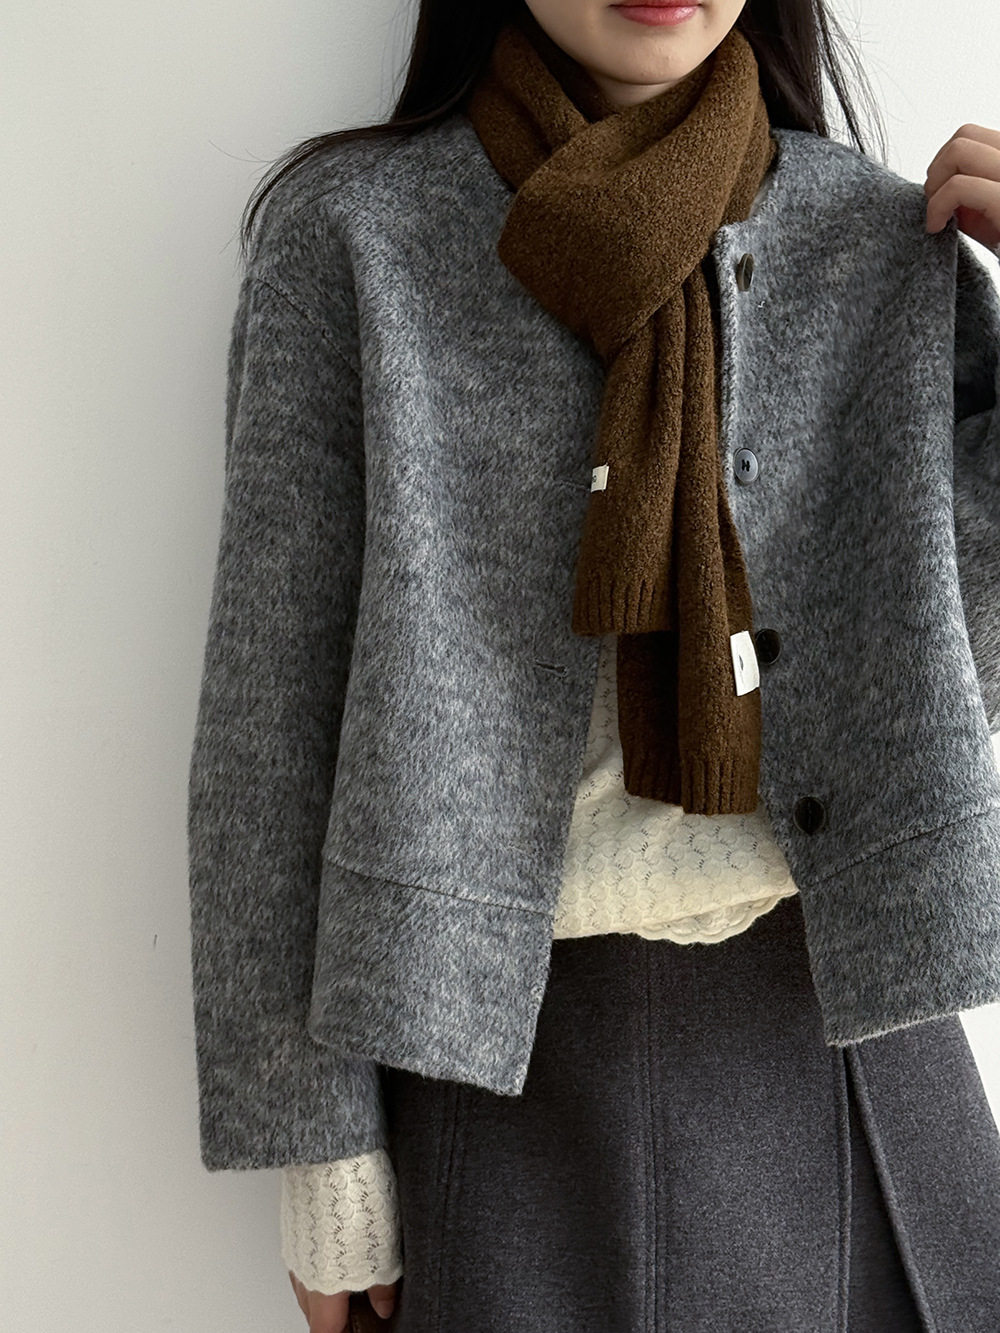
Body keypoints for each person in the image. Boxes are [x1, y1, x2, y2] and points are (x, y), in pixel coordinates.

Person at [186, 1, 1000, 1330]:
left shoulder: (877, 240)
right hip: (500, 1072)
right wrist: (315, 1139)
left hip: (858, 1045)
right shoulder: (356, 241)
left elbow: (967, 660)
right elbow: (269, 724)